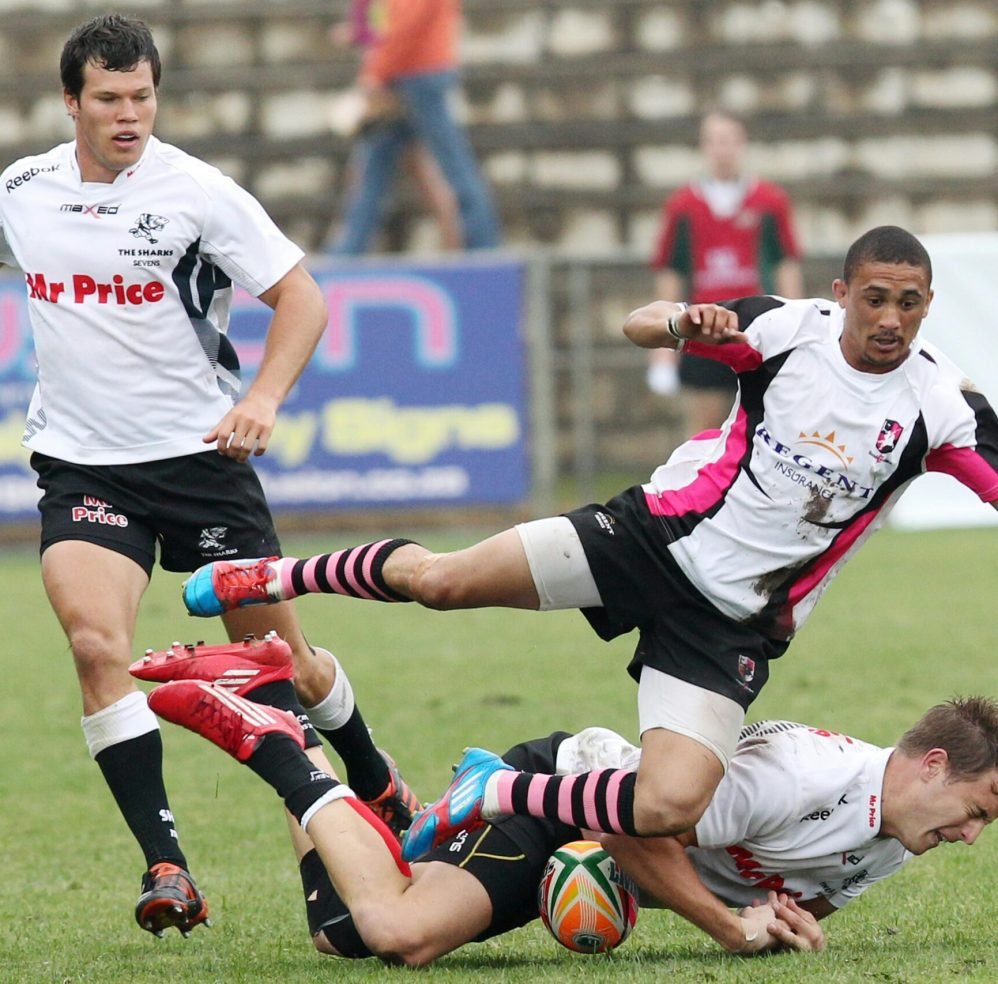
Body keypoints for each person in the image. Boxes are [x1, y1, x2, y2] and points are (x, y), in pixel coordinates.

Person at [182, 226, 998, 856]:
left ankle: (490, 791)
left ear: (928, 304)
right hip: (649, 537)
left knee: (670, 805)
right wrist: (683, 321)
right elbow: (637, 324)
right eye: (875, 298)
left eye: (910, 302)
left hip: (731, 625)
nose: (890, 319)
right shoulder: (786, 332)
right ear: (843, 292)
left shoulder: (938, 406)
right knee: (442, 581)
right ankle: (274, 573)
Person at [0, 14, 417, 937]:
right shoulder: (22, 190)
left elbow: (300, 296)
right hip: (83, 466)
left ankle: (372, 773)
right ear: (71, 102)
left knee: (277, 674)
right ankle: (168, 867)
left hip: (203, 466)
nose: (128, 115)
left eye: (141, 96)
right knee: (96, 649)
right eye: (107, 99)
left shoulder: (196, 191)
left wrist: (263, 397)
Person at [139, 653, 998, 965]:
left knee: (338, 931)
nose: (970, 836)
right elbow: (630, 824)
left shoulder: (899, 830)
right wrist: (725, 926)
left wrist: (782, 919)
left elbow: (783, 890)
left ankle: (302, 705)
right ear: (930, 765)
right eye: (978, 810)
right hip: (563, 798)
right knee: (399, 933)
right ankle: (271, 740)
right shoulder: (799, 777)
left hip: (590, 830)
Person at [648, 109, 803, 437]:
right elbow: (671, 274)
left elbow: (786, 264)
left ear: (742, 144)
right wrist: (663, 352)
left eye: (729, 140)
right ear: (704, 146)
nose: (723, 149)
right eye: (715, 141)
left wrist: (795, 328)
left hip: (757, 327)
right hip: (703, 325)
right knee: (703, 432)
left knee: (764, 430)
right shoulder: (683, 206)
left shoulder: (769, 202)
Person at [328, 0, 501, 255]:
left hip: (419, 75)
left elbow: (405, 25)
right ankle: (348, 250)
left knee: (451, 166)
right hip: (411, 73)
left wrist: (374, 74)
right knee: (375, 169)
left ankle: (484, 247)